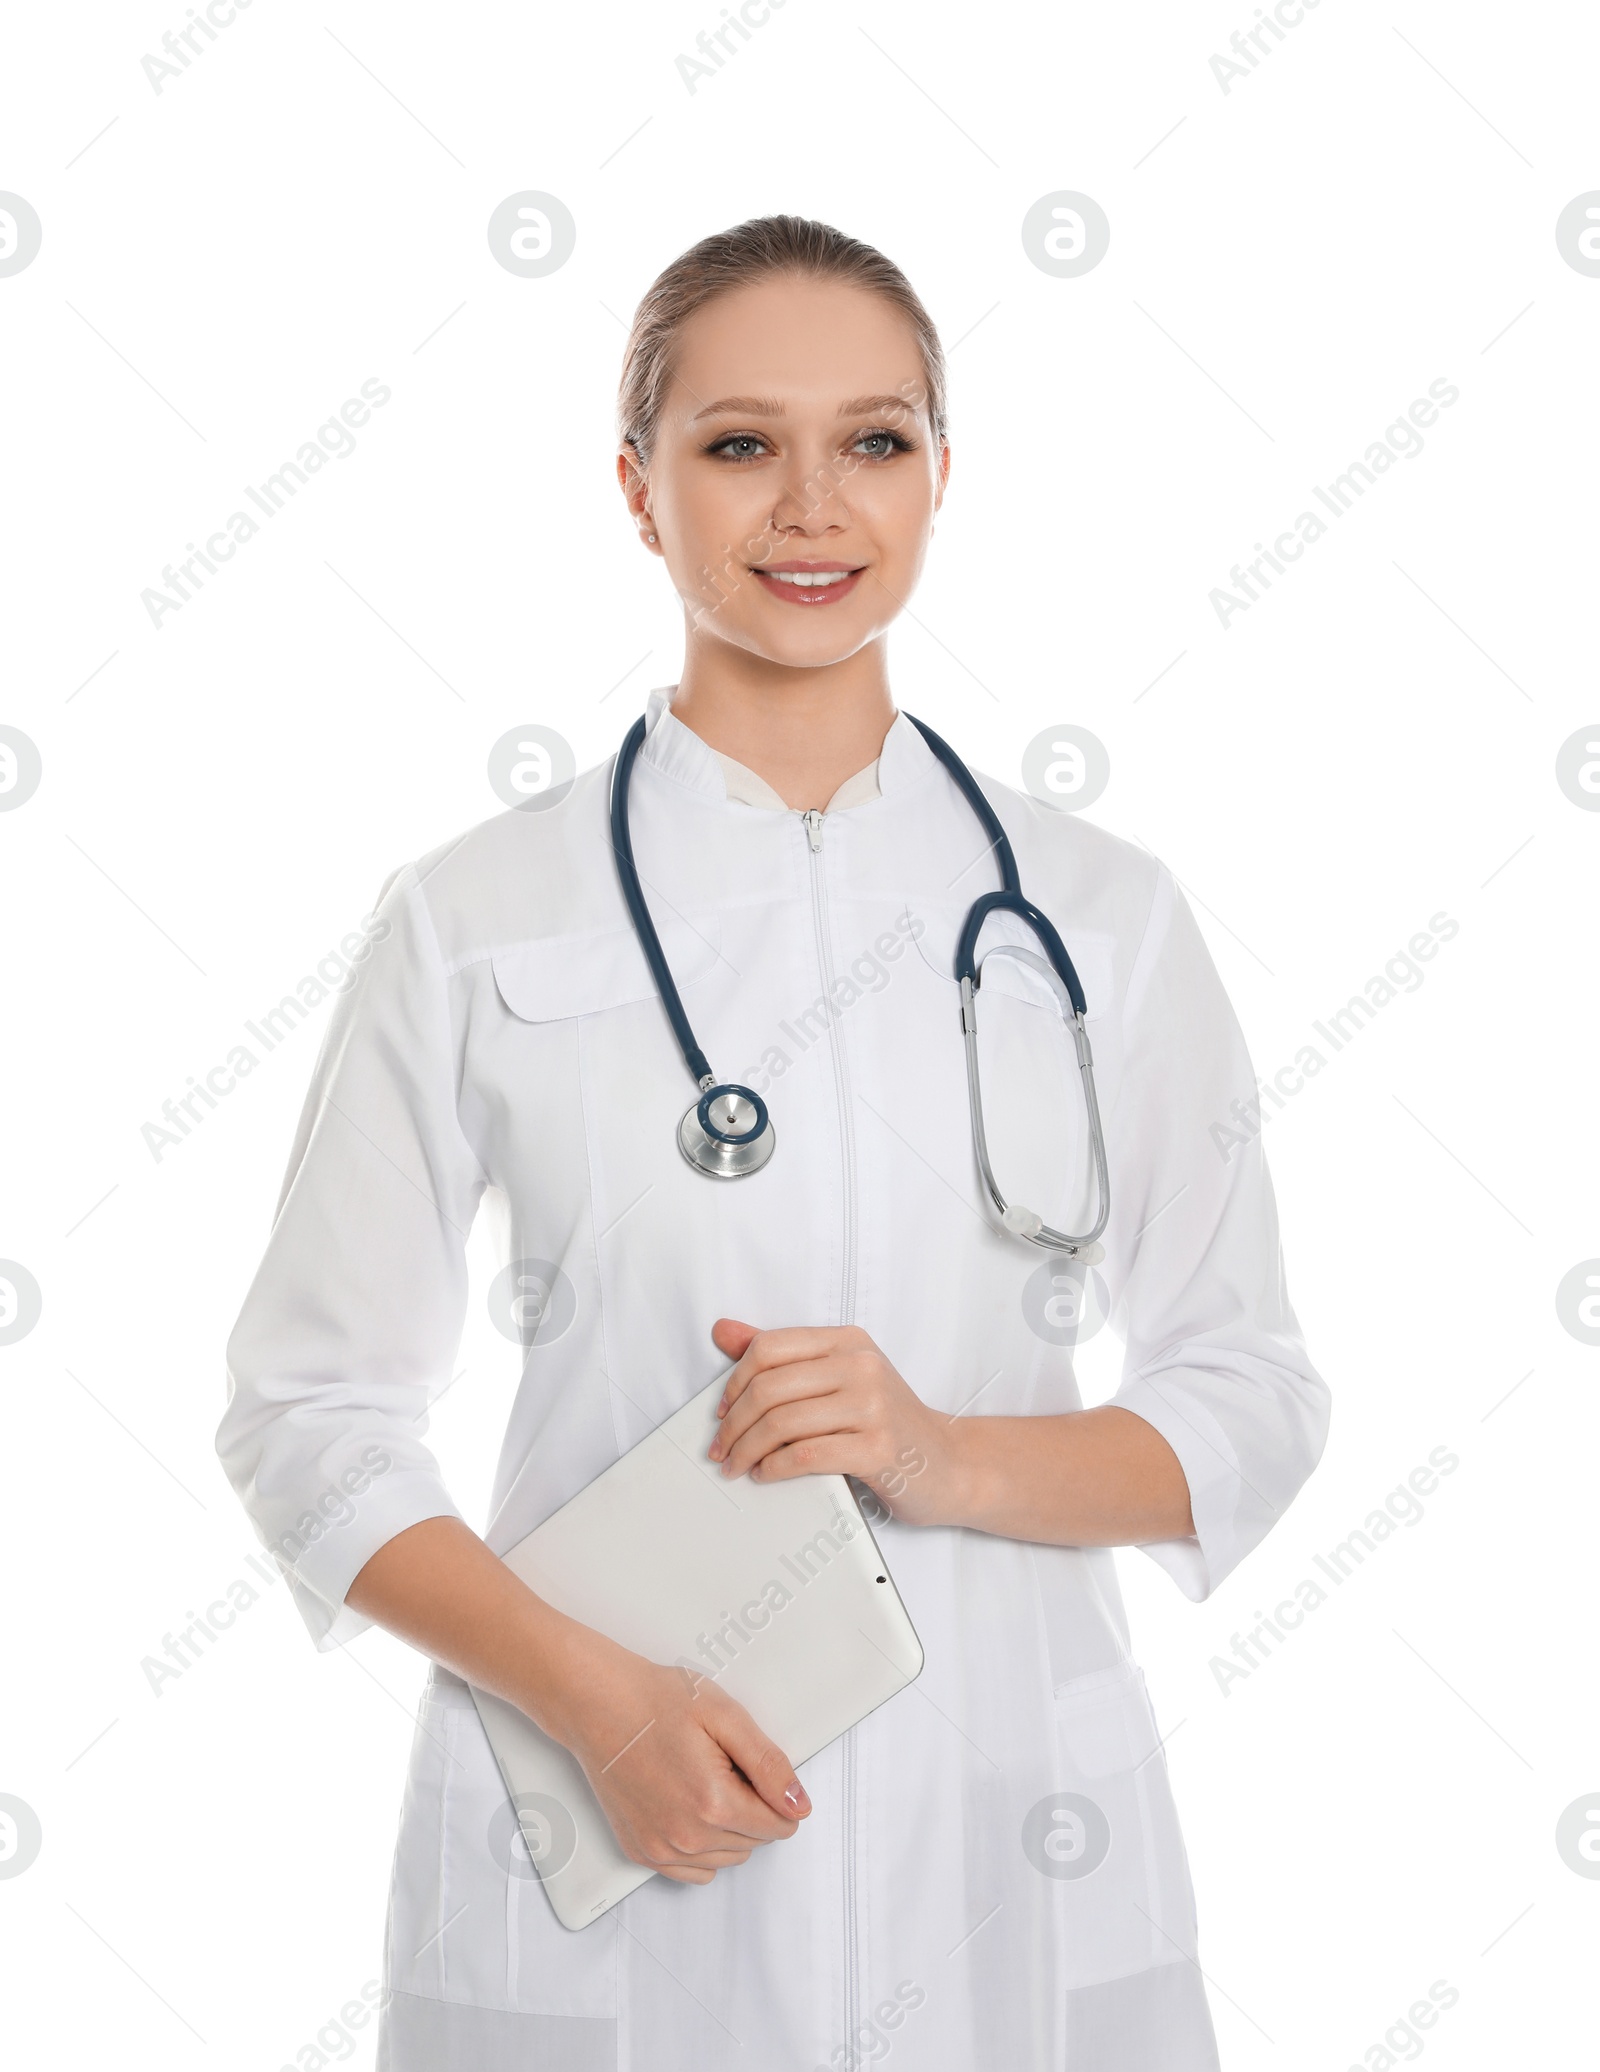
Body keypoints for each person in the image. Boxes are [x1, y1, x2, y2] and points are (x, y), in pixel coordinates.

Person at [219, 213, 1330, 2070]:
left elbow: (1252, 1394)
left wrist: (942, 1453)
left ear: (942, 477)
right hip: (610, 1834)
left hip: (1011, 1837)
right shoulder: (476, 915)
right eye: (739, 443)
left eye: (875, 441)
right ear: (640, 491)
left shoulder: (1096, 915)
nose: (812, 504)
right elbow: (307, 1421)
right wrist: (597, 1703)